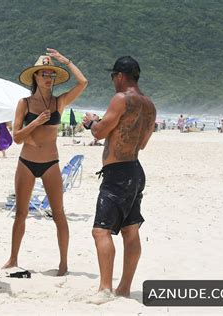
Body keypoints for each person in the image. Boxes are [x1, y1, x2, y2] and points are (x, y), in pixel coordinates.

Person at [3, 48, 87, 276]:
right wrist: (35, 123)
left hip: (51, 163)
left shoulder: (59, 102)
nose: (48, 78)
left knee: (59, 213)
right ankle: (12, 258)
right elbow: (17, 138)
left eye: (51, 75)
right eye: (44, 74)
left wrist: (65, 61)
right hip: (26, 163)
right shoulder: (25, 103)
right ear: (35, 77)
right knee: (21, 213)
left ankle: (63, 264)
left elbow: (82, 82)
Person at [82, 56, 156, 303]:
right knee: (130, 230)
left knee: (100, 231)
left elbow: (99, 132)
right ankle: (124, 287)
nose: (113, 81)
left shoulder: (120, 99)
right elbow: (143, 144)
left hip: (118, 174)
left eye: (113, 76)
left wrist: (91, 121)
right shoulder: (150, 105)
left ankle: (105, 288)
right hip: (136, 170)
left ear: (121, 76)